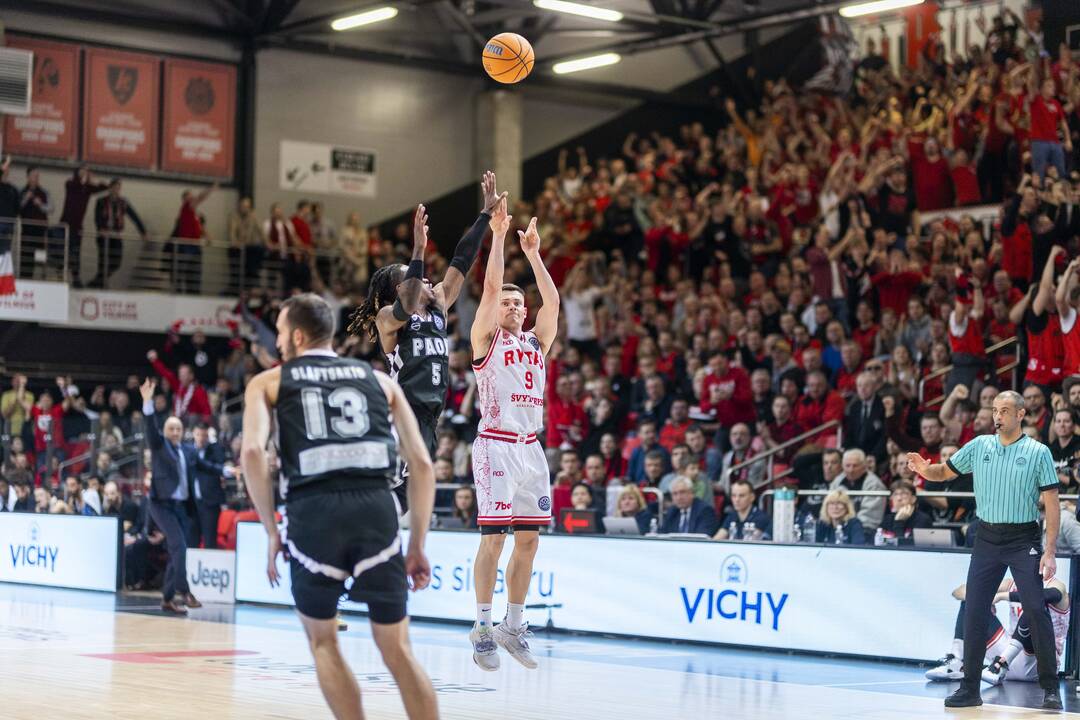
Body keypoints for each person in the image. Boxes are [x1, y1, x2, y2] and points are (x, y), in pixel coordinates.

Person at [240, 293, 438, 720]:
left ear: (295, 335)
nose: (276, 343)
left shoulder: (269, 382)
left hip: (314, 511)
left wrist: (272, 531)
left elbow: (253, 454)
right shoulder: (382, 382)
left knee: (324, 643)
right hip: (377, 509)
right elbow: (422, 463)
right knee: (398, 651)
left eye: (277, 332)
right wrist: (417, 542)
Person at [348, 172, 501, 512]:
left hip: (431, 418)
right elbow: (406, 304)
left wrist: (485, 216)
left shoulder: (440, 305)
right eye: (415, 278)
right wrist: (418, 247)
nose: (428, 278)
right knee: (395, 492)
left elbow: (462, 260)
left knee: (407, 498)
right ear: (402, 289)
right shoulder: (389, 317)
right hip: (403, 413)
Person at [907, 390, 1062, 709]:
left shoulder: (1038, 451)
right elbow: (944, 472)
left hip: (1023, 539)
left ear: (1020, 415)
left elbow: (1051, 502)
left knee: (1035, 608)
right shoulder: (979, 446)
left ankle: (1049, 688)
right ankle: (970, 688)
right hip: (987, 538)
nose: (997, 416)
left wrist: (1049, 550)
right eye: (994, 410)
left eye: (1004, 410)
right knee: (975, 609)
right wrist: (925, 470)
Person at [467, 198, 559, 672]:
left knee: (529, 543)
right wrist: (500, 236)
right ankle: (482, 626)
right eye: (507, 302)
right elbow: (487, 288)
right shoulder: (487, 338)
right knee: (494, 541)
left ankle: (512, 624)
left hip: (531, 449)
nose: (514, 307)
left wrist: (536, 255)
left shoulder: (535, 342)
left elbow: (554, 304)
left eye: (518, 303)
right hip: (496, 446)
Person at [138, 378, 203, 615]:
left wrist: (228, 470)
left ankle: (167, 599)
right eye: (171, 429)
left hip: (181, 507)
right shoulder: (158, 446)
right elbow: (150, 429)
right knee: (179, 545)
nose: (175, 432)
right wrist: (148, 403)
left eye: (178, 428)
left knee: (178, 551)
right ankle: (184, 591)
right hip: (160, 504)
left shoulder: (187, 450)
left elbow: (205, 465)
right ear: (165, 432)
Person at [91, 179, 147, 288]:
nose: (116, 190)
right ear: (110, 188)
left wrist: (143, 232)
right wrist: (100, 228)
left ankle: (97, 282)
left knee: (116, 262)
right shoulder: (101, 201)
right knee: (103, 261)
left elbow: (134, 216)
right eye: (114, 188)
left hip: (116, 235)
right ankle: (100, 284)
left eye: (118, 188)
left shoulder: (123, 202)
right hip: (104, 236)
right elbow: (97, 217)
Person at [188, 422, 235, 549]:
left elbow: (220, 464)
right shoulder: (188, 450)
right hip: (192, 504)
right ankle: (191, 568)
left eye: (204, 435)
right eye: (198, 435)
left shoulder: (215, 449)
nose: (201, 438)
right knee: (191, 541)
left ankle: (209, 568)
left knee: (209, 540)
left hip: (210, 503)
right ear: (193, 434)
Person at [59, 165, 109, 286]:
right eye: (82, 172)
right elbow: (75, 184)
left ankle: (76, 279)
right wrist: (84, 179)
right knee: (65, 252)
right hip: (66, 225)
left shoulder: (87, 188)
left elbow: (105, 187)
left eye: (86, 172)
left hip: (77, 227)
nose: (84, 174)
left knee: (76, 253)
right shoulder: (70, 184)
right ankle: (61, 277)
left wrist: (93, 180)